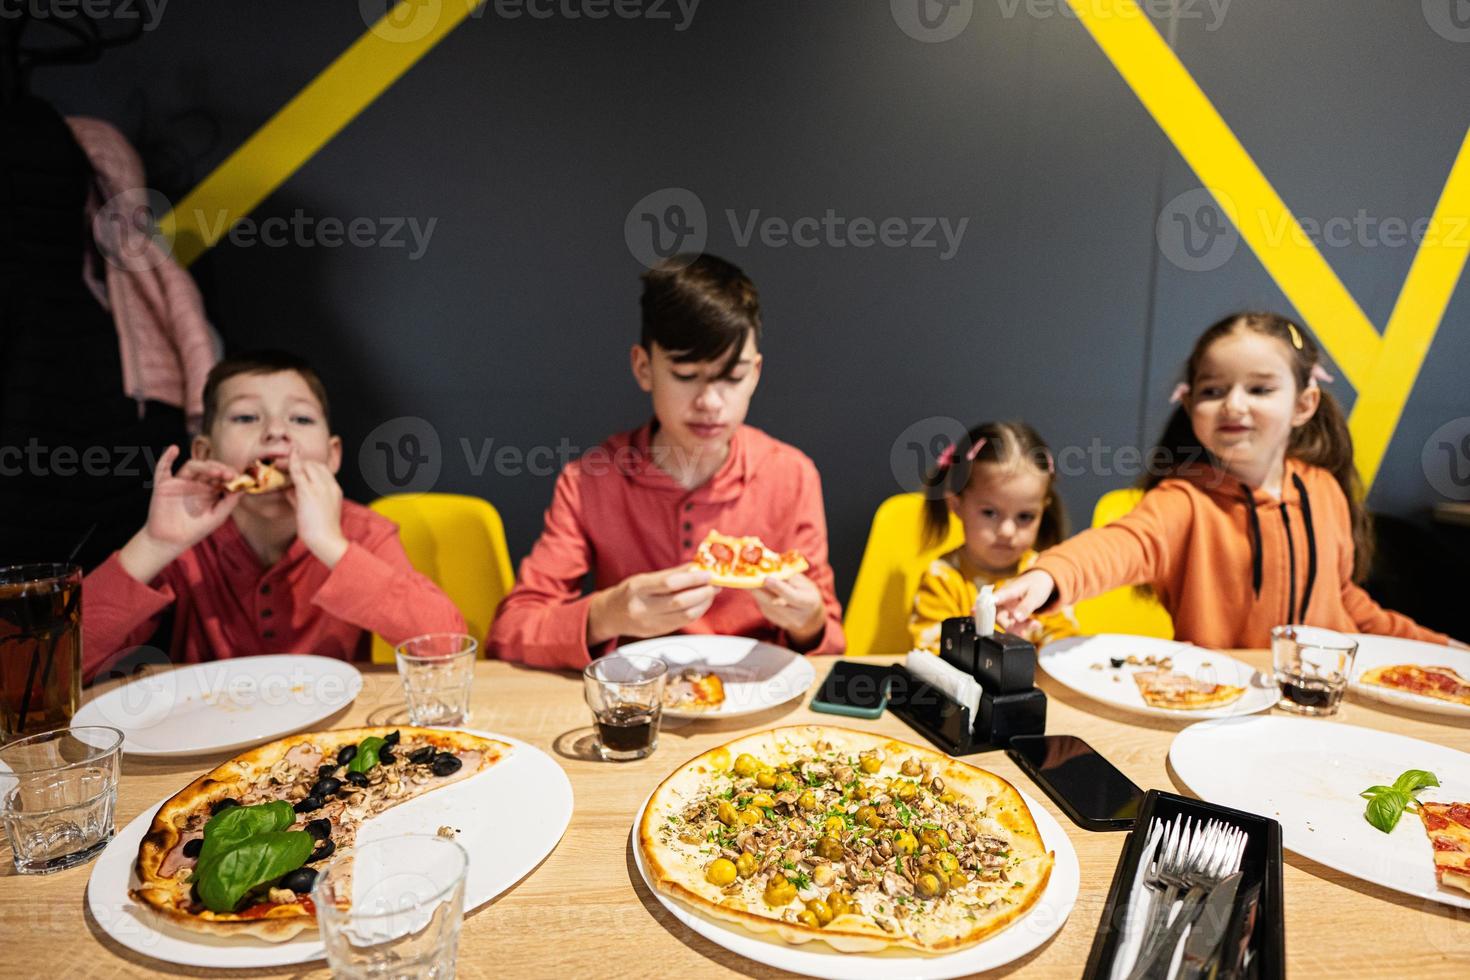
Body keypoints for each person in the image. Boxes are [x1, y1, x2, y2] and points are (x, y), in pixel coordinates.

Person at [993, 312, 1461, 648]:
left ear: (1304, 403)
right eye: (1213, 390)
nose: (1234, 405)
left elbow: (1344, 602)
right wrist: (1047, 577)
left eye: (1259, 389)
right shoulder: (1184, 499)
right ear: (1190, 404)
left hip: (1329, 711)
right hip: (1217, 714)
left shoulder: (1323, 490)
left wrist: (1439, 649)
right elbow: (1121, 545)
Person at [488, 254, 844, 669]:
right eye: (686, 375)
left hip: (757, 702)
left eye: (732, 377)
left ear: (756, 374)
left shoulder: (792, 474)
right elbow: (510, 632)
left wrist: (810, 622)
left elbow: (830, 639)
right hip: (633, 708)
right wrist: (606, 613)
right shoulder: (589, 480)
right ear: (644, 367)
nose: (710, 402)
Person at [82, 350, 466, 680]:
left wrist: (330, 544)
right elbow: (53, 671)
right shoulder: (184, 539)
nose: (277, 432)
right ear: (203, 452)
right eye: (246, 418)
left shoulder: (361, 531)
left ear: (332, 456)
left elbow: (445, 645)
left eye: (300, 419)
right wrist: (154, 544)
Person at [909, 421, 1077, 652]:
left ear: (1043, 510)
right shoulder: (942, 579)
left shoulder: (1043, 576)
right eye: (990, 513)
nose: (1007, 531)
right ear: (957, 505)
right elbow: (932, 653)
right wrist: (991, 634)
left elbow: (1065, 649)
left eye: (1025, 516)